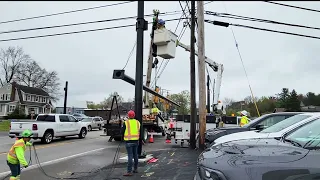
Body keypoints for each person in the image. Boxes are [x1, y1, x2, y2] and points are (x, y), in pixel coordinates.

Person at [122, 110, 141, 176]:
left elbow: (122, 131)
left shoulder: (126, 122)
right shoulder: (137, 122)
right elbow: (139, 131)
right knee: (135, 155)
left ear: (128, 116)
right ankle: (135, 169)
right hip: (136, 141)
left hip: (128, 142)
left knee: (130, 156)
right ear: (134, 115)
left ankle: (129, 172)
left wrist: (122, 137)